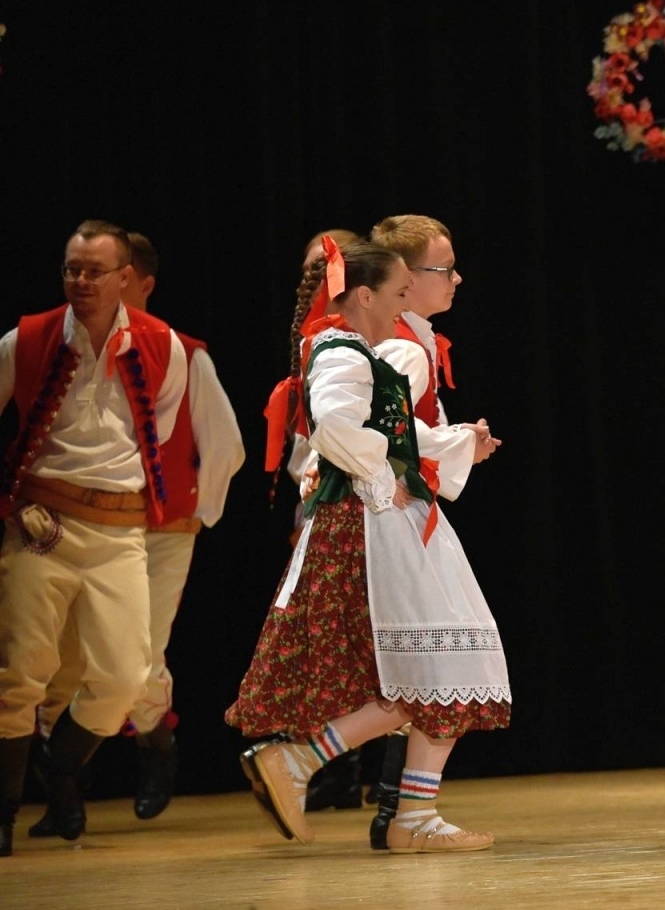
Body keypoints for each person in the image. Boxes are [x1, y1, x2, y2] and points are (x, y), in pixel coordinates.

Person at [228, 239, 508, 852]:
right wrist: (387, 474)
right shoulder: (343, 350)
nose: (406, 303)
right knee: (437, 663)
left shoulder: (353, 349)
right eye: (399, 291)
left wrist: (451, 441)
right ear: (364, 295)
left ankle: (387, 803)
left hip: (380, 517)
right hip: (372, 523)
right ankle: (316, 769)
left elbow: (389, 430)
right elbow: (334, 430)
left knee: (434, 663)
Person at [26, 231, 245, 838]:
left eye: (113, 275)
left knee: (137, 658)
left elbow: (225, 444)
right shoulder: (62, 345)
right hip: (86, 522)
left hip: (161, 527)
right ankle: (63, 794)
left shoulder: (180, 352)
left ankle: (153, 743)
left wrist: (194, 514)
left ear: (136, 281)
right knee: (62, 664)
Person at [0, 219, 189, 857]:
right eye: (71, 269)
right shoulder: (26, 340)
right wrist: (13, 505)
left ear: (125, 278)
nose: (80, 281)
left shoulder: (165, 345)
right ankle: (2, 814)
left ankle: (58, 768)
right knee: (20, 675)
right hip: (42, 527)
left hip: (118, 532)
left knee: (124, 676)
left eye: (94, 271)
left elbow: (156, 439)